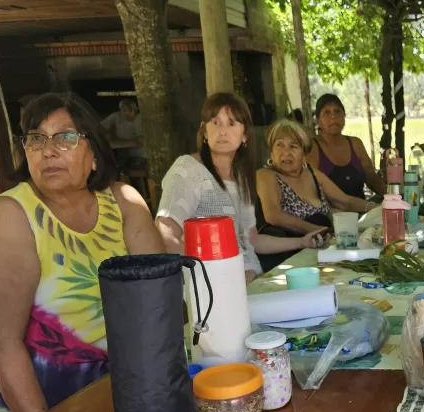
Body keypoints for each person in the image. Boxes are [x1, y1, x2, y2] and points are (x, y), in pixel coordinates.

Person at [0, 92, 164, 412]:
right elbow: (3, 344)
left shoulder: (124, 202)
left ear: (94, 154)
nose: (48, 151)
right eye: (36, 139)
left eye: (65, 137)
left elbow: (160, 306)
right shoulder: (8, 215)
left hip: (126, 396)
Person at [156, 93, 324, 284]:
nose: (222, 131)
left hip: (255, 281)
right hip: (215, 290)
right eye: (215, 122)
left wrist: (303, 241)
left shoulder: (241, 177)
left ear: (245, 135)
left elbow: (252, 240)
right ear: (204, 131)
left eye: (231, 123)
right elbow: (166, 238)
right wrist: (223, 277)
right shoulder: (188, 168)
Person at [257, 119, 378, 271]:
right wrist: (319, 230)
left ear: (304, 155)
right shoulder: (266, 175)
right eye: (279, 145)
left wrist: (380, 207)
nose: (286, 152)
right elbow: (273, 216)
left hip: (319, 254)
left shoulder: (312, 174)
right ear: (271, 152)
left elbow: (345, 201)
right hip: (286, 260)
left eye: (293, 146)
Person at [306, 94, 386, 199]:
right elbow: (311, 190)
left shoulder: (355, 144)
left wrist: (390, 196)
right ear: (317, 121)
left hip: (362, 207)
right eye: (327, 112)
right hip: (330, 209)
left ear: (344, 116)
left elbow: (371, 177)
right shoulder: (312, 148)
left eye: (337, 111)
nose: (333, 116)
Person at [102, 99, 146, 169]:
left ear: (134, 110)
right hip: (122, 151)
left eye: (127, 110)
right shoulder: (116, 116)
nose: (124, 113)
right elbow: (101, 128)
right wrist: (109, 135)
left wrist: (144, 137)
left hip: (140, 152)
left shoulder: (142, 118)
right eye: (123, 110)